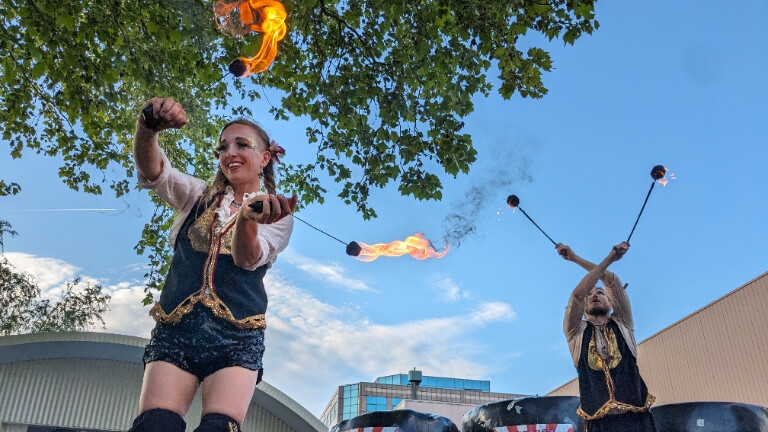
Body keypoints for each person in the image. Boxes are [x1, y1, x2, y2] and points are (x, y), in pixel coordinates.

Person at [128, 97, 298, 432]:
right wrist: (147, 127)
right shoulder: (196, 195)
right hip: (177, 330)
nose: (229, 153)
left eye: (241, 144)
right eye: (223, 147)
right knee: (155, 425)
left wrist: (248, 218)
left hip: (236, 336)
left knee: (218, 429)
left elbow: (247, 259)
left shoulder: (276, 212)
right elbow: (153, 171)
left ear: (265, 157)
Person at [557, 242, 657, 432]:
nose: (594, 295)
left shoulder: (623, 323)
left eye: (600, 293)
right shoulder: (575, 332)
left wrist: (576, 258)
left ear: (611, 303)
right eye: (590, 294)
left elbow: (611, 280)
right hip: (599, 423)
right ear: (583, 310)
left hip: (635, 420)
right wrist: (609, 259)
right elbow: (577, 296)